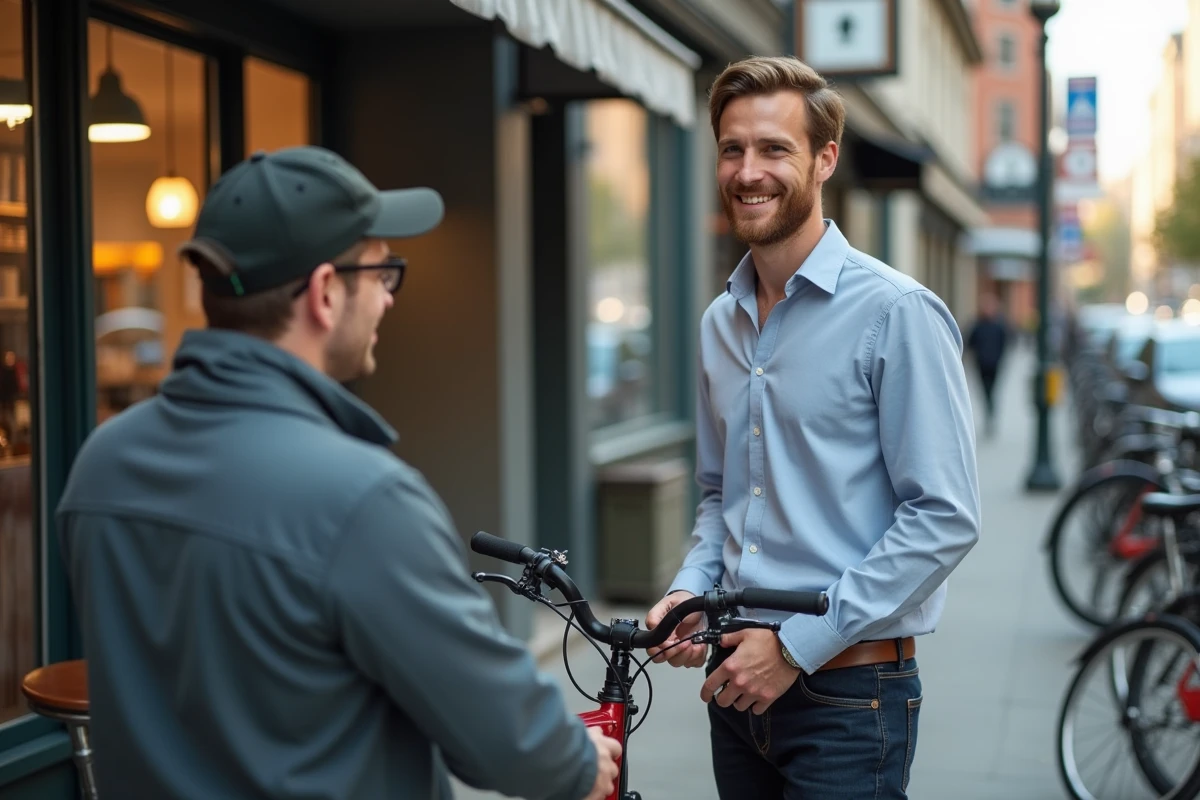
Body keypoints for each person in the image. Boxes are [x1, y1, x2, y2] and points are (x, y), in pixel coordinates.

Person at [56, 146, 620, 800]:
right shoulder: (361, 500)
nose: (387, 298)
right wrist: (577, 758)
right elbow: (513, 747)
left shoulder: (102, 461)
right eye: (384, 273)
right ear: (325, 292)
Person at [645, 56, 981, 799]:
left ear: (825, 159)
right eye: (732, 148)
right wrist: (688, 594)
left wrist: (796, 648)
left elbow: (945, 518)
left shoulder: (897, 313)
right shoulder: (719, 322)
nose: (747, 170)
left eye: (774, 149)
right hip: (733, 684)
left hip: (850, 700)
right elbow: (717, 497)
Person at [966, 292, 1010, 436]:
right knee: (984, 391)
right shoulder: (977, 325)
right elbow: (970, 343)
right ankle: (988, 412)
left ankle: (990, 414)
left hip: (995, 364)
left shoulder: (999, 326)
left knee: (992, 390)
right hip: (981, 364)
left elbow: (1005, 343)